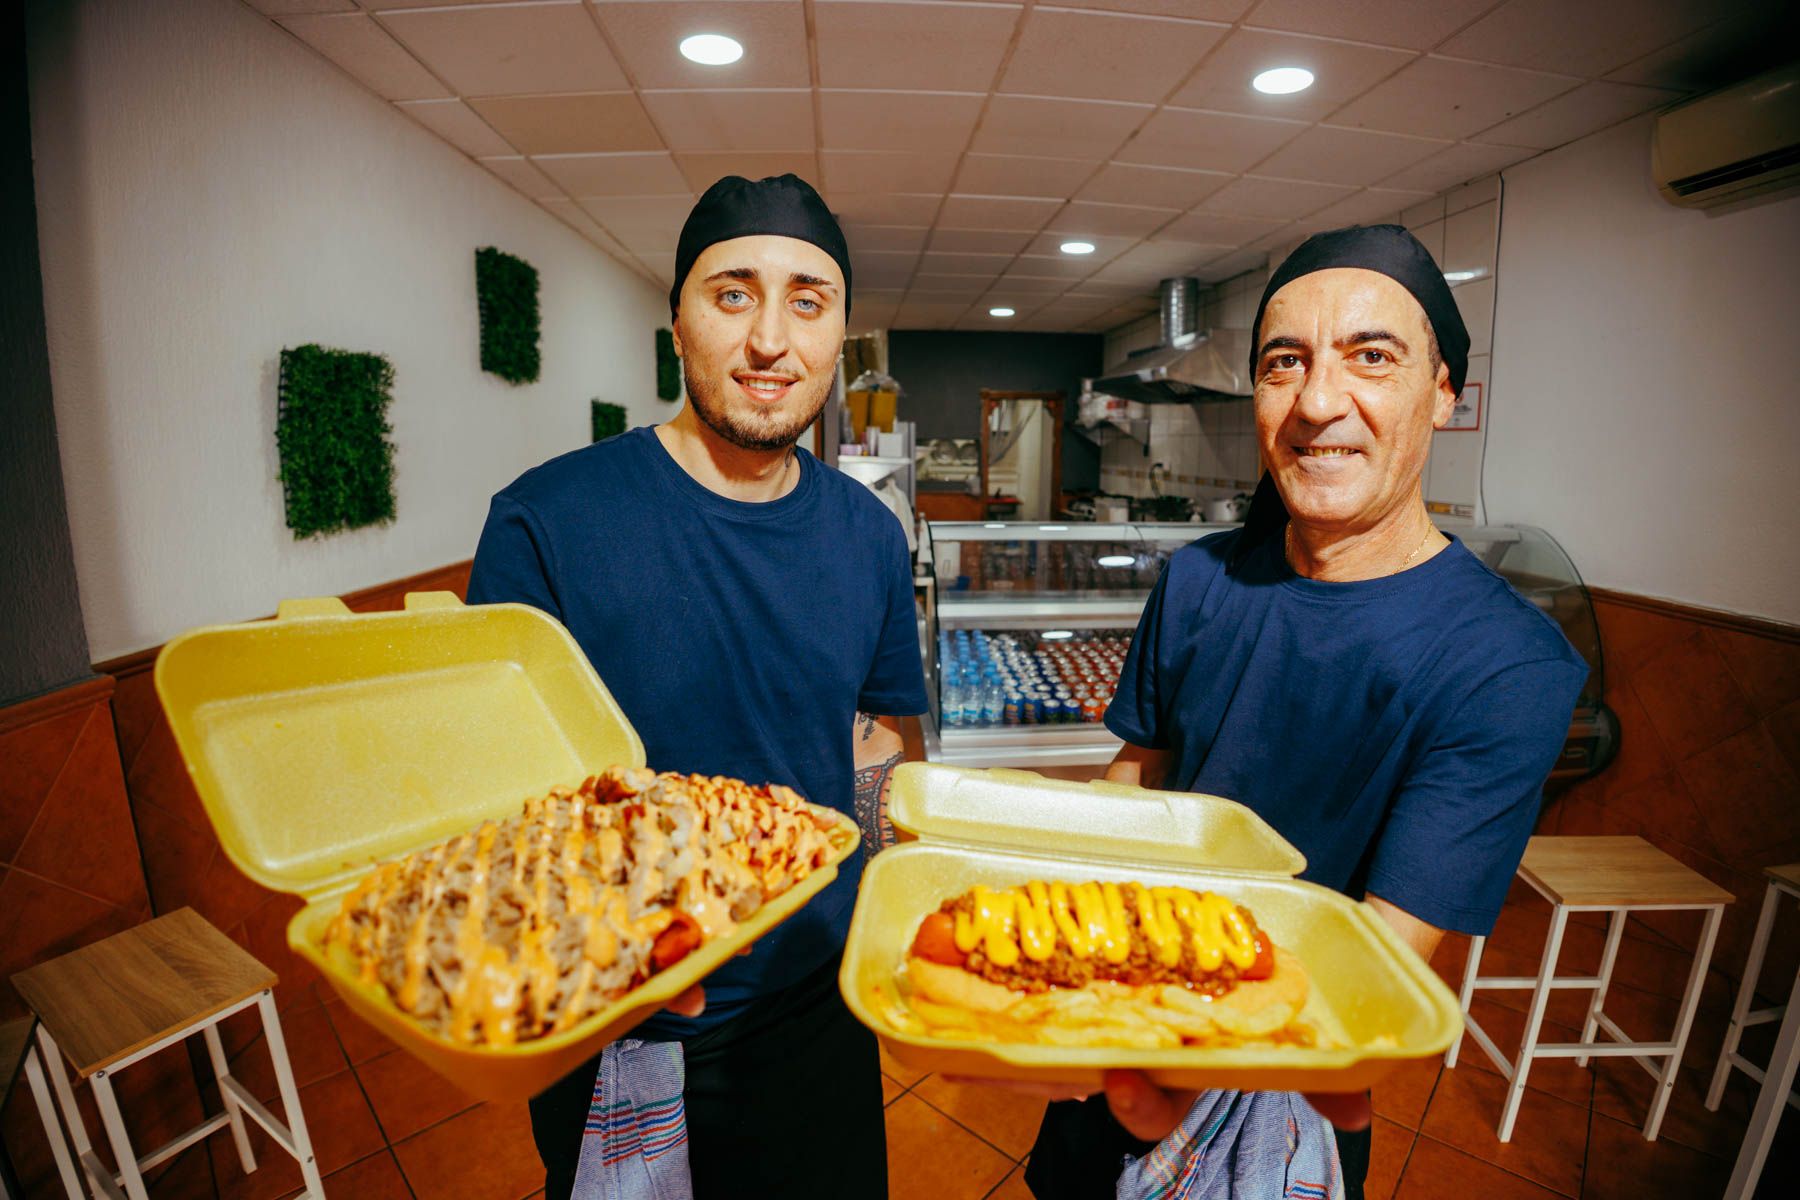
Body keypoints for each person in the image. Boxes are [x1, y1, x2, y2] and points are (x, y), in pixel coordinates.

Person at [1022, 224, 1589, 1200]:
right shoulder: (1199, 580)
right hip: (1110, 1019)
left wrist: (1140, 1020)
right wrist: (1067, 945)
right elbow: (1138, 776)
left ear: (1443, 393)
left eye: (1371, 357)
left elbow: (1376, 963)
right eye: (1285, 362)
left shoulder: (1505, 665)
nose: (1319, 402)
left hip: (1279, 1084)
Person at [466, 174, 928, 1199]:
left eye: (807, 301)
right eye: (733, 294)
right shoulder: (547, 520)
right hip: (619, 1021)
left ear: (839, 336)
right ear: (677, 322)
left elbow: (877, 741)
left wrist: (894, 909)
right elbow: (498, 806)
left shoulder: (868, 534)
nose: (770, 339)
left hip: (816, 1010)